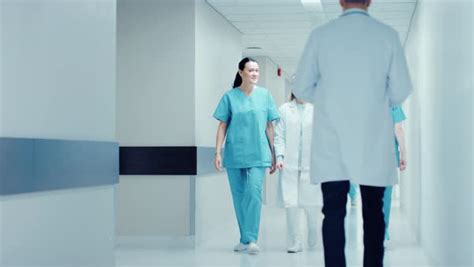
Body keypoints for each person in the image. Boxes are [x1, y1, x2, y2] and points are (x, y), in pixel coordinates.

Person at [292, 0, 412, 266]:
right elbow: (401, 90)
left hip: (332, 142)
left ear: (340, 1)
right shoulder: (386, 36)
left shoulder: (321, 36)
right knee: (373, 213)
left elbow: (301, 87)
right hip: (373, 142)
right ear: (370, 1)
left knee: (333, 213)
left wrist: (325, 99)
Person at [213, 57, 280, 255]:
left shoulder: (265, 96)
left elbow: (269, 126)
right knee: (239, 196)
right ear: (241, 72)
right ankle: (244, 238)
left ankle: (251, 238)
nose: (254, 74)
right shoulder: (230, 97)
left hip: (259, 154)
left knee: (254, 193)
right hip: (235, 154)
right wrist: (218, 152)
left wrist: (274, 153)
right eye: (251, 70)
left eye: (257, 70)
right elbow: (222, 125)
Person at [274, 93, 322, 253]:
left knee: (311, 203)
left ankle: (313, 231)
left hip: (311, 164)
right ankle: (296, 241)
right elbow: (278, 136)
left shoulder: (316, 109)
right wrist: (280, 157)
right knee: (291, 203)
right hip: (289, 164)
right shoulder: (284, 110)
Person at [384, 105, 407, 243]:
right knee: (386, 198)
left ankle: (372, 231)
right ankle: (383, 232)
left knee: (371, 198)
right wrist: (403, 155)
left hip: (368, 157)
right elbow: (398, 129)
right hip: (388, 157)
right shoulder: (393, 103)